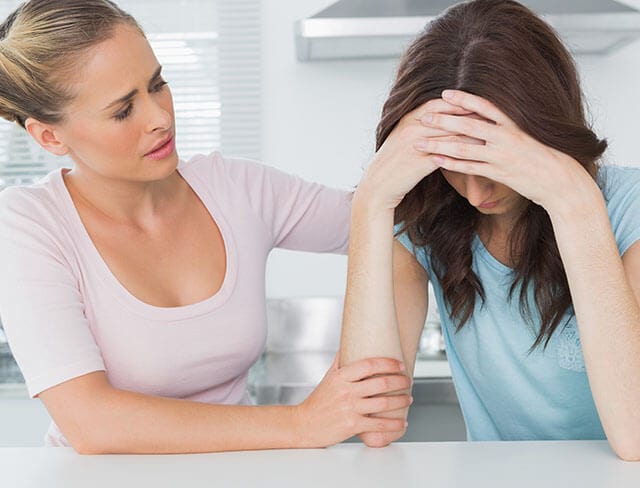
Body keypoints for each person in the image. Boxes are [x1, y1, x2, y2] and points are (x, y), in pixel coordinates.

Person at [0, 0, 412, 453]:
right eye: (123, 111)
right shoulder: (30, 224)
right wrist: (302, 424)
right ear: (49, 136)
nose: (160, 118)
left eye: (158, 85)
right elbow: (90, 422)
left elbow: (385, 221)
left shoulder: (235, 189)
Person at [339, 0, 640, 461]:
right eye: (453, 163)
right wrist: (371, 202)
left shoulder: (629, 207)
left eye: (491, 157)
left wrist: (573, 200)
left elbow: (636, 435)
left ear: (542, 131)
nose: (476, 192)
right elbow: (374, 425)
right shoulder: (423, 226)